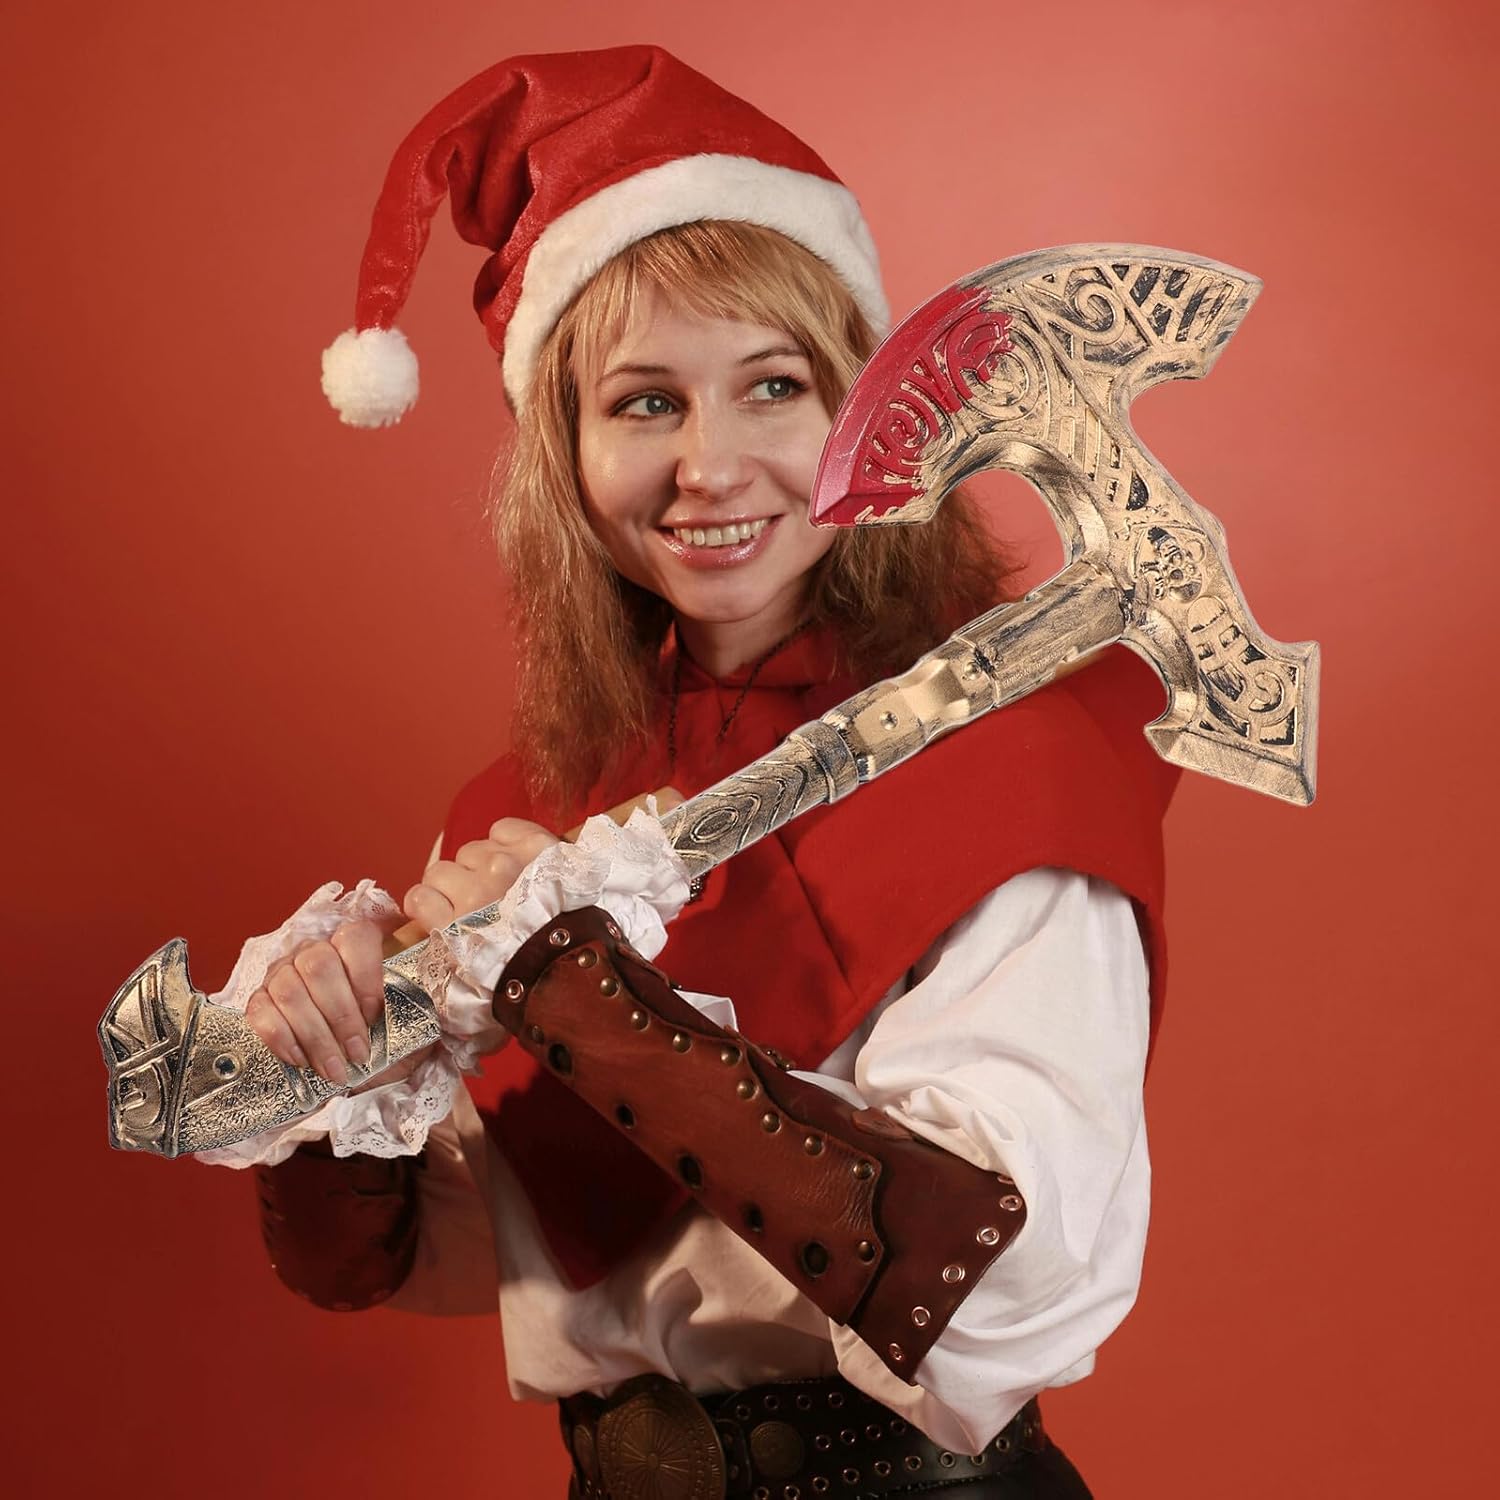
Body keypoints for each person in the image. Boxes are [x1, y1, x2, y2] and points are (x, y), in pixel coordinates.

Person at [226, 45, 1178, 1499]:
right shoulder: (528, 812)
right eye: (645, 403)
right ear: (564, 450)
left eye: (773, 387)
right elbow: (445, 1259)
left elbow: (995, 1284)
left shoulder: (1019, 769)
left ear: (871, 414)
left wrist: (577, 992)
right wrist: (330, 1084)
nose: (710, 469)